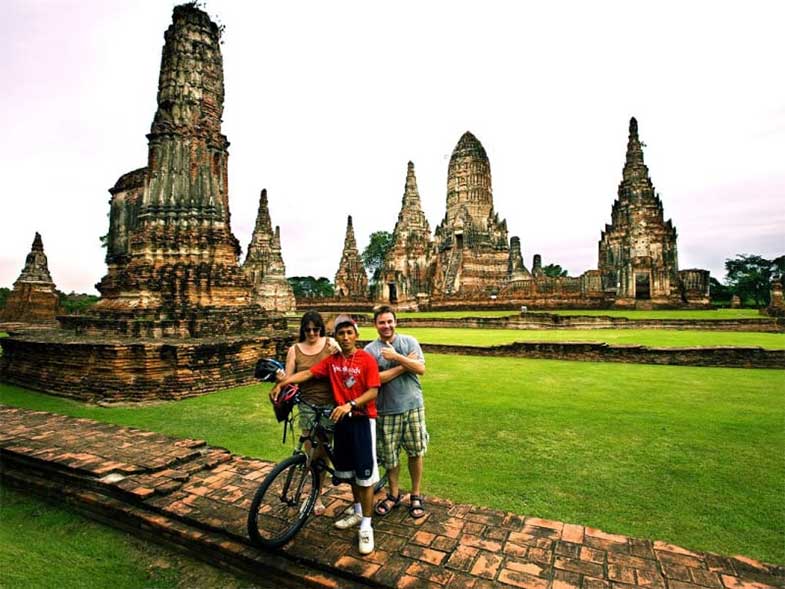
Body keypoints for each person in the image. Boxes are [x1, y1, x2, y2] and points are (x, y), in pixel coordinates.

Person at [272, 314, 380, 555]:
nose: (345, 337)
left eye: (349, 332)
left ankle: (366, 526)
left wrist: (350, 405)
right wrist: (284, 382)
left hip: (361, 420)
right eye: (340, 333)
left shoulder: (366, 359)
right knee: (350, 471)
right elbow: (308, 374)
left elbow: (373, 390)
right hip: (340, 421)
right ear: (336, 337)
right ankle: (358, 510)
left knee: (364, 473)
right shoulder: (332, 361)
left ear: (356, 335)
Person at [364, 305, 428, 519]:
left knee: (415, 451)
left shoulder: (409, 341)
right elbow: (375, 380)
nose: (386, 326)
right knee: (390, 457)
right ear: (376, 325)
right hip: (386, 409)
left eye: (390, 321)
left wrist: (396, 357)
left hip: (412, 406)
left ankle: (416, 494)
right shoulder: (370, 351)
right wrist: (404, 364)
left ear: (395, 322)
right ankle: (393, 494)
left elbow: (421, 369)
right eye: (382, 322)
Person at [276, 311, 339, 516]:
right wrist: (280, 379)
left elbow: (343, 365)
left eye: (316, 329)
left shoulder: (330, 343)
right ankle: (312, 494)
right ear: (303, 330)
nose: (312, 333)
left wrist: (337, 352)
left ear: (321, 328)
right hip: (306, 403)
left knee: (324, 451)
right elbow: (291, 379)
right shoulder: (295, 350)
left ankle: (318, 493)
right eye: (308, 329)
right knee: (310, 450)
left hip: (330, 402)